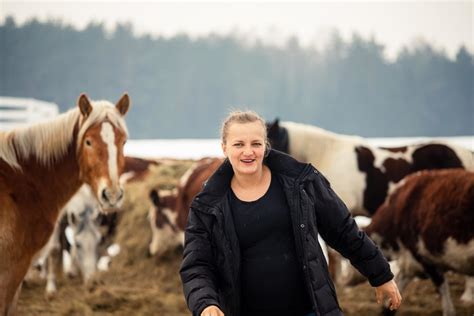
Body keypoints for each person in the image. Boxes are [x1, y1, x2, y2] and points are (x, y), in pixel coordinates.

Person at [180, 111, 401, 316]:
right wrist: (205, 303)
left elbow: (343, 230)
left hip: (310, 310)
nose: (248, 152)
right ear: (224, 148)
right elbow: (197, 265)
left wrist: (380, 274)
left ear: (266, 146)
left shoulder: (301, 182)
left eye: (256, 143)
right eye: (239, 144)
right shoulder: (207, 206)